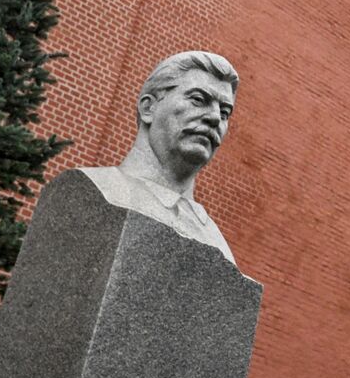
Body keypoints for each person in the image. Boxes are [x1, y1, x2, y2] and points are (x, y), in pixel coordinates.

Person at [80, 51, 240, 264]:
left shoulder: (214, 239)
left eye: (224, 113)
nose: (214, 118)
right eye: (198, 100)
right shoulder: (96, 191)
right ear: (149, 108)